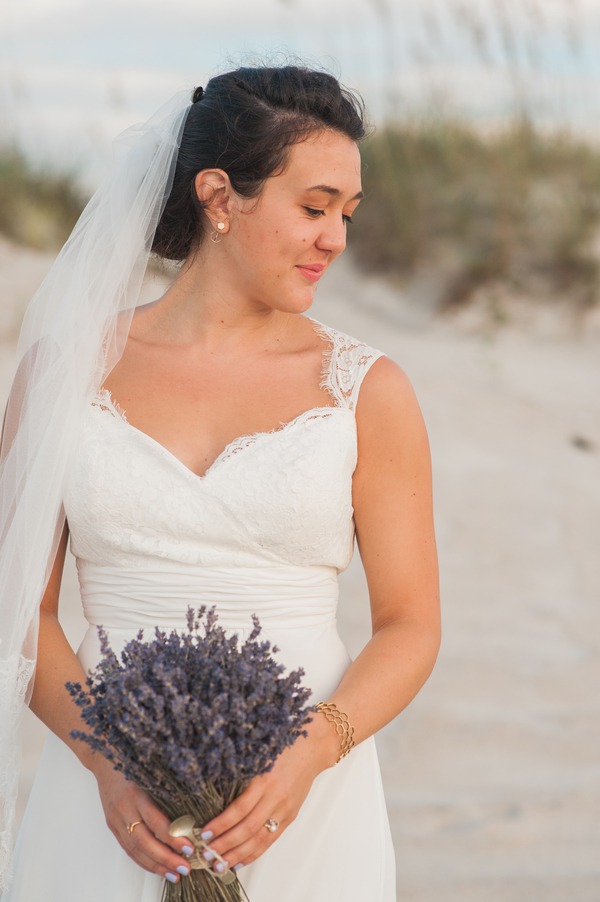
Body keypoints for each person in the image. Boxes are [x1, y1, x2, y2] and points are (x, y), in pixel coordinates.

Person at [0, 65, 440, 901]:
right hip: (113, 805)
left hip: (305, 797)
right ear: (218, 196)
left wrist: (309, 754)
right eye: (313, 208)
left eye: (347, 214)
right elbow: (19, 606)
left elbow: (411, 625)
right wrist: (106, 761)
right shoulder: (65, 371)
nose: (335, 239)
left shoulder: (368, 390)